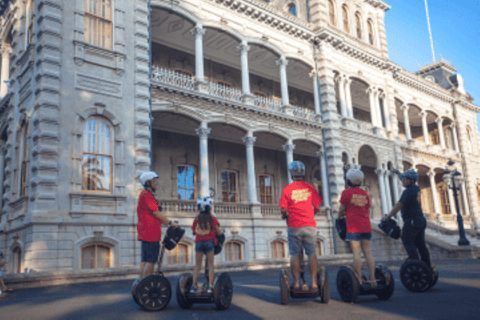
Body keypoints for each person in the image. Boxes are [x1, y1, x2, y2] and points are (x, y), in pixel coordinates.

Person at [279, 161, 322, 290]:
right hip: (309, 224)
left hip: (294, 225)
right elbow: (318, 206)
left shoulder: (287, 189)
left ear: (292, 174)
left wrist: (286, 215)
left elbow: (283, 209)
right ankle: (314, 282)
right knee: (312, 253)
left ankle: (297, 282)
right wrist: (310, 214)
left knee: (295, 254)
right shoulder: (310, 188)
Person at [382, 169, 431, 267]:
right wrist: (397, 173)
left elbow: (399, 205)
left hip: (412, 221)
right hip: (420, 220)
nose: (403, 181)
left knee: (407, 241)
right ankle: (426, 264)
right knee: (420, 244)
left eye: (405, 179)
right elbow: (403, 178)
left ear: (412, 180)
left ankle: (416, 263)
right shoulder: (416, 188)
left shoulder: (408, 191)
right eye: (403, 179)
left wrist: (388, 216)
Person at [338, 168, 376, 287]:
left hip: (353, 227)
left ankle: (358, 279)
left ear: (349, 180)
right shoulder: (364, 193)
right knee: (368, 252)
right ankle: (372, 279)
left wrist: (339, 217)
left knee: (356, 252)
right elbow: (368, 209)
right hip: (366, 226)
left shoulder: (346, 193)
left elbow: (341, 209)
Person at [137, 171, 178, 280]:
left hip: (146, 233)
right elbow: (156, 212)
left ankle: (140, 284)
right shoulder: (147, 195)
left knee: (144, 261)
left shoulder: (144, 195)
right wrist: (169, 223)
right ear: (148, 183)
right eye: (154, 181)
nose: (157, 184)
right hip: (151, 234)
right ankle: (145, 284)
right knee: (151, 261)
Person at [190, 196, 223, 294]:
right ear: (209, 208)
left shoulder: (197, 219)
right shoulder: (212, 218)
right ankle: (210, 286)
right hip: (209, 242)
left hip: (199, 243)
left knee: (198, 265)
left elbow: (193, 232)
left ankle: (193, 286)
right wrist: (220, 232)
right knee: (210, 265)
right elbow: (219, 232)